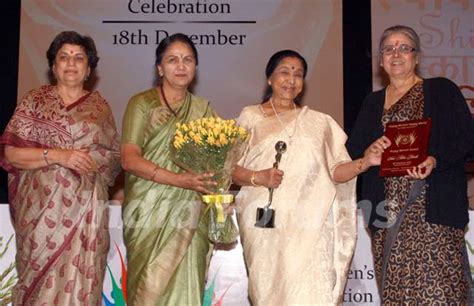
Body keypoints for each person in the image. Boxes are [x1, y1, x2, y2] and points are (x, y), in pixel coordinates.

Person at [232, 49, 378, 305]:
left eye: (298, 74)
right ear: (269, 78)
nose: (291, 79)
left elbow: (336, 171)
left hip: (312, 223)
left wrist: (364, 162)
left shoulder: (319, 123)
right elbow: (229, 169)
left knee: (313, 291)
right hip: (265, 221)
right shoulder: (250, 116)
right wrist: (259, 177)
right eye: (284, 72)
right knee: (268, 293)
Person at [346, 25, 474, 304]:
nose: (397, 54)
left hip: (434, 213)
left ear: (416, 58)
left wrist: (435, 159)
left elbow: (468, 140)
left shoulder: (441, 90)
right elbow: (352, 154)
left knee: (442, 294)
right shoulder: (372, 103)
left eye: (405, 47)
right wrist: (368, 153)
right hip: (386, 215)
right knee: (398, 296)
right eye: (389, 48)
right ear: (380, 61)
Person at [0, 31, 121, 305]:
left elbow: (113, 159)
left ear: (89, 69)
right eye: (63, 57)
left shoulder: (100, 109)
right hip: (39, 217)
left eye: (79, 58)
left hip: (86, 217)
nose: (71, 63)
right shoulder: (34, 102)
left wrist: (92, 161)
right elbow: (10, 154)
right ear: (53, 66)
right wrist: (57, 155)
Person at [121, 33, 216, 306]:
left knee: (188, 283)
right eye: (172, 60)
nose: (181, 66)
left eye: (188, 60)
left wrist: (256, 177)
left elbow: (222, 160)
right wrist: (179, 180)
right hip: (147, 210)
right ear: (160, 68)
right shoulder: (141, 104)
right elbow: (129, 159)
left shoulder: (202, 109)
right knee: (148, 288)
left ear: (195, 68)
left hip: (189, 211)